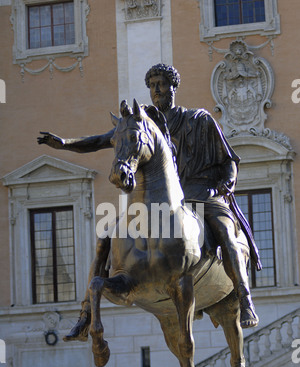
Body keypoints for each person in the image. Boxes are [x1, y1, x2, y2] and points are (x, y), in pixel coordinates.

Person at [38, 63, 260, 340]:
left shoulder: (198, 120)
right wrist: (65, 143)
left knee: (225, 230)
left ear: (173, 87)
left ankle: (244, 296)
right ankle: (85, 315)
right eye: (152, 85)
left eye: (162, 84)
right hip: (164, 201)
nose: (156, 90)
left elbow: (229, 161)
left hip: (202, 193)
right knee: (106, 237)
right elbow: (100, 141)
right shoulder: (143, 126)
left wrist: (224, 185)